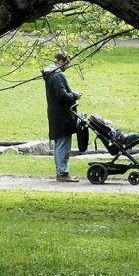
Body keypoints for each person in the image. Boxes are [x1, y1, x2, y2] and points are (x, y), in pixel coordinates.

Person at [43, 51, 82, 182]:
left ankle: (61, 171)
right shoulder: (57, 76)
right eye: (67, 63)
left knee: (59, 144)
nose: (68, 66)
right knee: (63, 145)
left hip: (56, 114)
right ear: (60, 62)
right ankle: (63, 173)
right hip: (62, 116)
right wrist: (75, 95)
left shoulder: (51, 75)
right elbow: (62, 96)